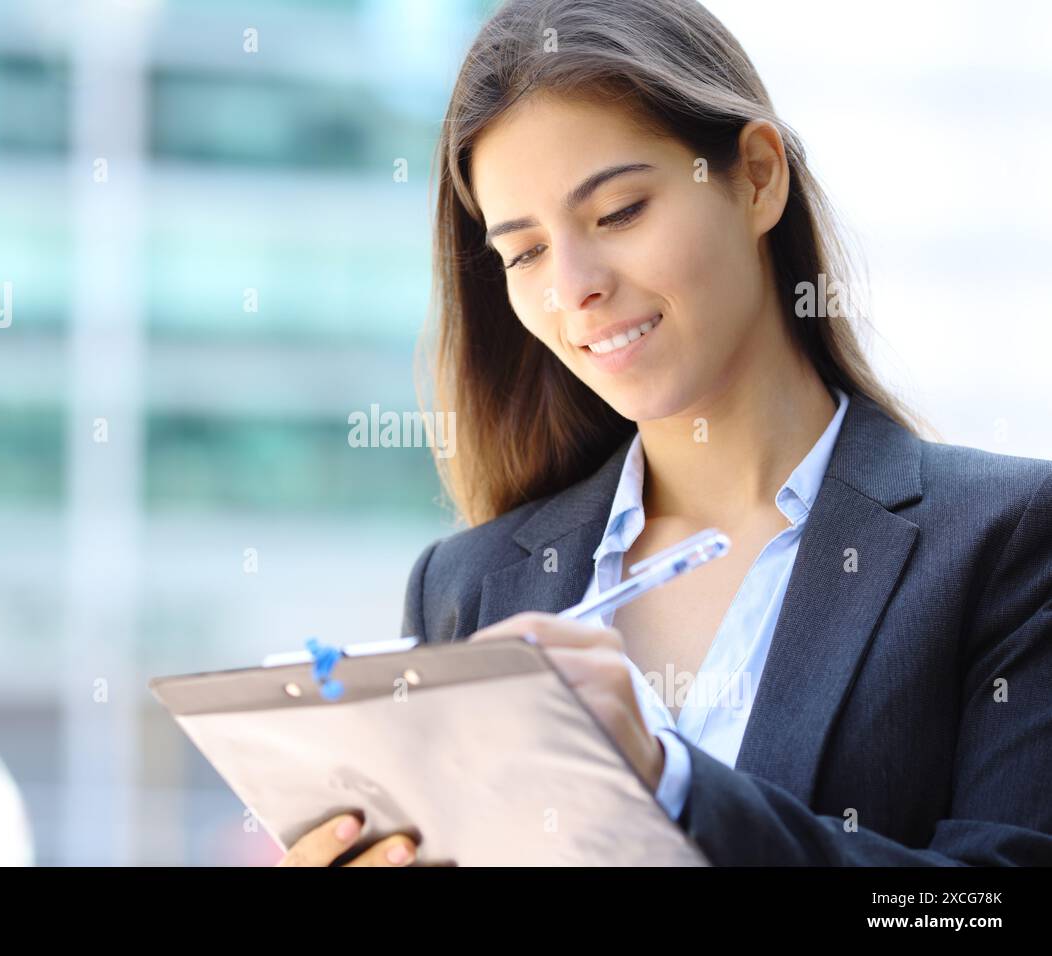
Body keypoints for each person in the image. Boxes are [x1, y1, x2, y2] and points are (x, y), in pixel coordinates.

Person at [278, 0, 1052, 866]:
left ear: (757, 178)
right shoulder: (466, 586)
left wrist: (669, 783)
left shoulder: (1007, 542)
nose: (574, 288)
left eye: (617, 213)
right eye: (525, 253)